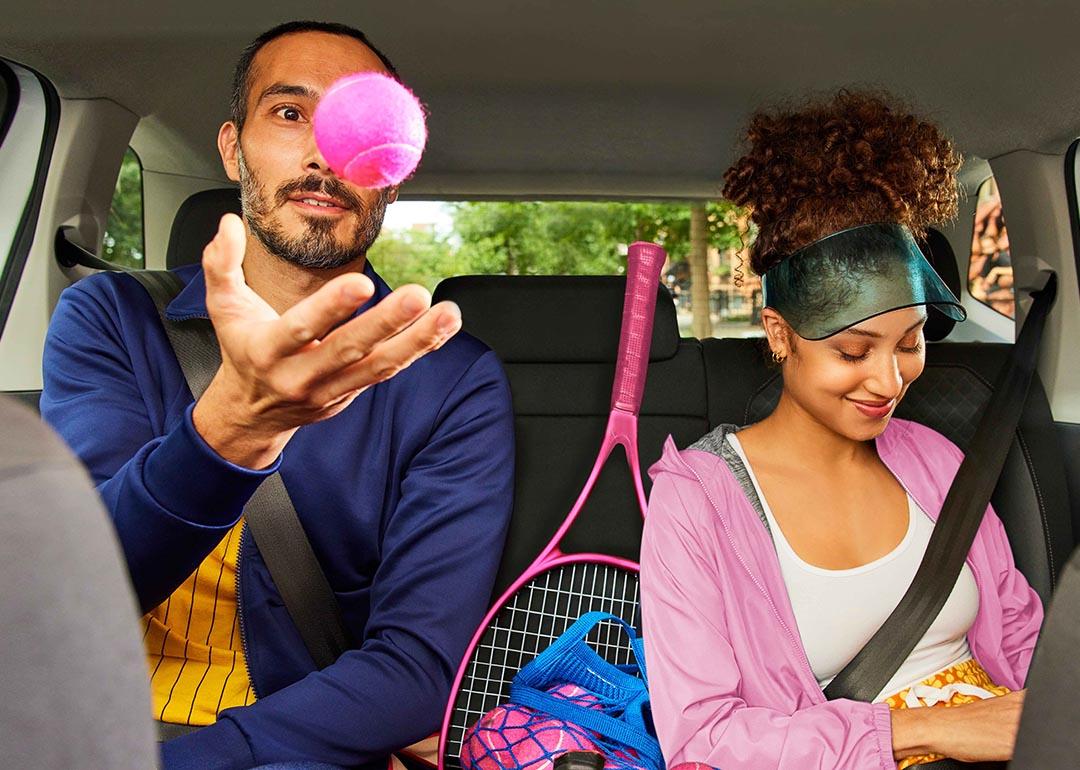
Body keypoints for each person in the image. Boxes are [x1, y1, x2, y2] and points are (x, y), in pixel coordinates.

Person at [40, 20, 515, 770]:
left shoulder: (451, 380)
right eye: (290, 114)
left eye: (359, 125)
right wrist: (229, 430)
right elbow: (73, 592)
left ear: (391, 169)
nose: (325, 154)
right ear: (233, 147)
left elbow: (419, 668)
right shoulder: (110, 319)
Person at [639, 91, 1042, 769]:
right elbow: (704, 737)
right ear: (780, 335)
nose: (889, 381)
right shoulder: (699, 504)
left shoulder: (939, 461)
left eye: (911, 343)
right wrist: (926, 731)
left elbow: (1024, 637)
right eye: (853, 352)